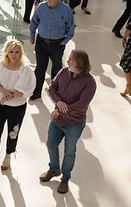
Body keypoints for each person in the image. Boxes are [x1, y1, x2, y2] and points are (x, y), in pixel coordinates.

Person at [39, 49, 96, 195]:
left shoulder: (90, 82)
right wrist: (58, 102)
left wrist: (60, 109)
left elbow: (82, 105)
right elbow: (52, 87)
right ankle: (54, 169)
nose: (68, 60)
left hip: (74, 123)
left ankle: (65, 178)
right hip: (57, 119)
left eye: (70, 58)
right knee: (51, 144)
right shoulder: (64, 71)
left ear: (79, 63)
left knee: (69, 152)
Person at [0, 40, 35, 175]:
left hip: (17, 106)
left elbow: (27, 90)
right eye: (11, 52)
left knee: (13, 133)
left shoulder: (26, 69)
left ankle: (8, 156)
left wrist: (9, 96)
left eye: (17, 52)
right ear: (6, 52)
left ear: (21, 53)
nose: (14, 55)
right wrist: (3, 94)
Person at [29, 0, 75, 100]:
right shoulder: (41, 7)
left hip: (57, 44)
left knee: (56, 68)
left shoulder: (66, 9)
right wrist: (31, 36)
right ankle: (36, 91)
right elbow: (34, 21)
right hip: (41, 42)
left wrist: (65, 41)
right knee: (40, 68)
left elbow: (71, 26)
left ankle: (55, 92)